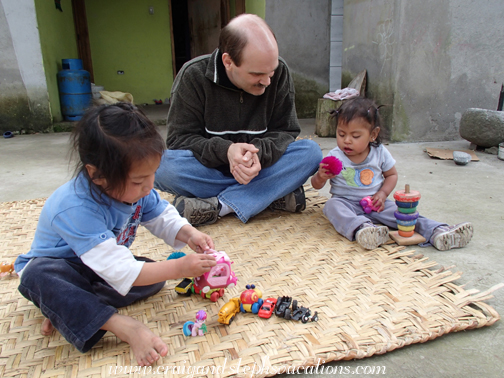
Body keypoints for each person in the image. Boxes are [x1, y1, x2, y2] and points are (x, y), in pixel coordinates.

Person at [14, 103, 217, 367]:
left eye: (153, 174)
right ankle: (120, 325)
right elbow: (119, 269)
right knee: (40, 276)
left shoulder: (137, 190)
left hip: (99, 268)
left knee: (152, 276)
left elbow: (160, 214)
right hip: (61, 270)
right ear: (97, 174)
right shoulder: (75, 206)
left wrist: (188, 233)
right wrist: (179, 268)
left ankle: (68, 307)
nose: (150, 185)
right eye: (138, 180)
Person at [154, 14, 322, 226]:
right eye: (257, 74)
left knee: (310, 153)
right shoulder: (193, 76)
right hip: (209, 170)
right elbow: (179, 140)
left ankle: (220, 206)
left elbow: (285, 131)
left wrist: (257, 155)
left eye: (271, 72)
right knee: (157, 164)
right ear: (228, 62)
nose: (268, 81)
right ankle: (269, 195)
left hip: (262, 168)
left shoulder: (279, 72)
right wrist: (227, 151)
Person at [311, 97, 474, 250]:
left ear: (373, 135)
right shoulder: (334, 156)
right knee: (332, 206)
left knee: (404, 214)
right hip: (345, 203)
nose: (347, 140)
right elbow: (316, 185)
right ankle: (363, 229)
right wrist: (320, 177)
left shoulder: (379, 152)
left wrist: (382, 194)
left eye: (355, 136)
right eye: (341, 134)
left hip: (376, 204)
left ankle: (437, 232)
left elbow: (391, 175)